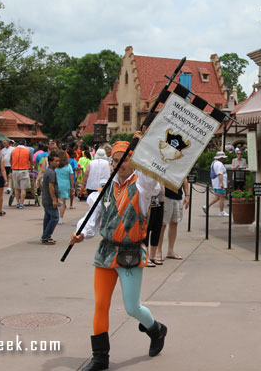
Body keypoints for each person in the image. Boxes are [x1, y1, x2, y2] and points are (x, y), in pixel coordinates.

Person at [69, 139, 167, 371]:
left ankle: (156, 330)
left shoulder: (143, 189)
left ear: (134, 162)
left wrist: (143, 147)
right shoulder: (105, 188)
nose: (119, 164)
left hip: (130, 253)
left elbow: (150, 179)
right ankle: (100, 358)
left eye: (124, 159)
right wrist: (80, 233)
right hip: (106, 252)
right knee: (100, 305)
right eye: (115, 160)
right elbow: (93, 218)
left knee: (132, 308)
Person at [158, 179, 190, 261]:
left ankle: (170, 251)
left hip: (178, 196)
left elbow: (184, 178)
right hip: (165, 195)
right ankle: (158, 251)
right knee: (162, 224)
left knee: (174, 223)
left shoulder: (181, 166)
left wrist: (187, 195)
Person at [41, 153, 60, 244]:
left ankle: (45, 235)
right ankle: (46, 235)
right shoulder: (51, 172)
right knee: (55, 217)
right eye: (56, 161)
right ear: (50, 162)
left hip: (46, 198)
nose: (58, 163)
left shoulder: (49, 171)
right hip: (49, 199)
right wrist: (54, 199)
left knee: (48, 217)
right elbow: (51, 186)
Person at [203, 151, 228, 216]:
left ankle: (206, 206)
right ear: (220, 158)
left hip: (215, 183)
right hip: (219, 183)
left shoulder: (214, 163)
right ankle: (221, 212)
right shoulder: (219, 164)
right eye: (223, 157)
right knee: (222, 197)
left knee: (217, 197)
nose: (224, 159)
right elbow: (219, 174)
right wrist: (222, 183)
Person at [146, 184, 165, 266]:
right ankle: (145, 257)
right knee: (148, 228)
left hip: (161, 199)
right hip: (151, 198)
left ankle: (152, 256)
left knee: (157, 228)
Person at [10, 139, 32, 209]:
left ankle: (17, 202)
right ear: (25, 143)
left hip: (15, 170)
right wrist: (30, 167)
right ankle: (22, 204)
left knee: (16, 188)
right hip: (24, 170)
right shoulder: (27, 151)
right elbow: (31, 161)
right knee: (23, 189)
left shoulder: (13, 151)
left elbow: (10, 160)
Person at [55, 151, 74, 225]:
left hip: (56, 184)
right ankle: (61, 218)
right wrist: (72, 187)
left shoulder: (56, 166)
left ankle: (55, 216)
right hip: (65, 185)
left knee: (56, 200)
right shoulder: (68, 166)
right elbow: (71, 177)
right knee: (62, 202)